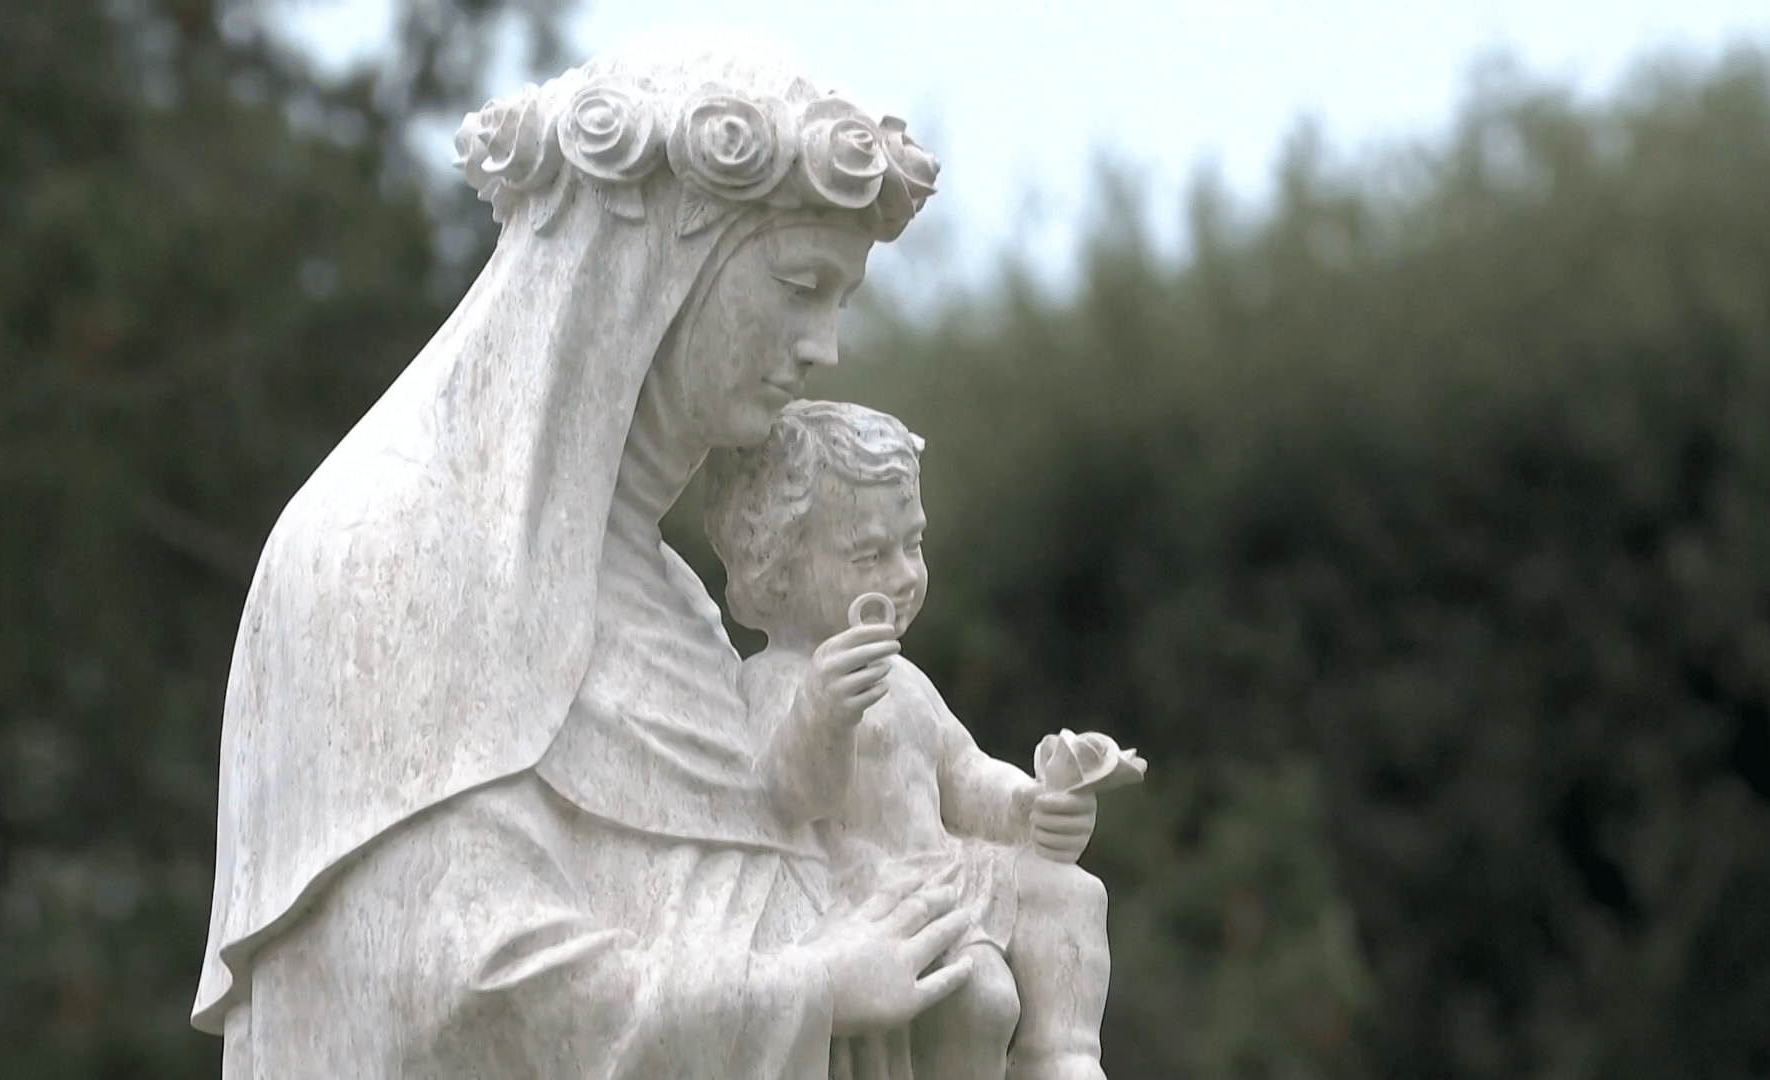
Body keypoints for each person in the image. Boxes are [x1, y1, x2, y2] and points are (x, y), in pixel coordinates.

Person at [193, 47, 978, 1078]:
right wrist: (814, 991)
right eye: (799, 286)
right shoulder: (391, 548)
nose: (824, 346)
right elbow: (447, 987)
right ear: (654, 265)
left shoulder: (679, 601)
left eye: (840, 300)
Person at [704, 400, 1140, 1080]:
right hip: (869, 896)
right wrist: (825, 712)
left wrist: (1031, 805)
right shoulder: (773, 683)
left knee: (1069, 893)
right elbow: (786, 797)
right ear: (779, 564)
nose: (905, 575)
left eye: (913, 544)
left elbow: (962, 774)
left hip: (950, 871)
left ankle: (1063, 1057)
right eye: (871, 554)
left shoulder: (906, 681)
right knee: (981, 992)